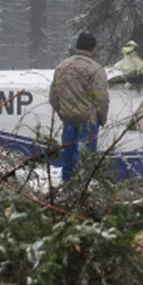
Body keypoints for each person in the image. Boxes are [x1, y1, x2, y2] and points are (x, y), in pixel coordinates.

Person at [49, 32, 110, 183]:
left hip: (68, 120)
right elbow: (101, 97)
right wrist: (101, 118)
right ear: (93, 49)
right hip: (88, 120)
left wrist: (62, 113)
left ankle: (66, 189)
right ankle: (80, 193)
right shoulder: (95, 69)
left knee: (67, 158)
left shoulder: (61, 67)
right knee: (83, 160)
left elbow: (53, 96)